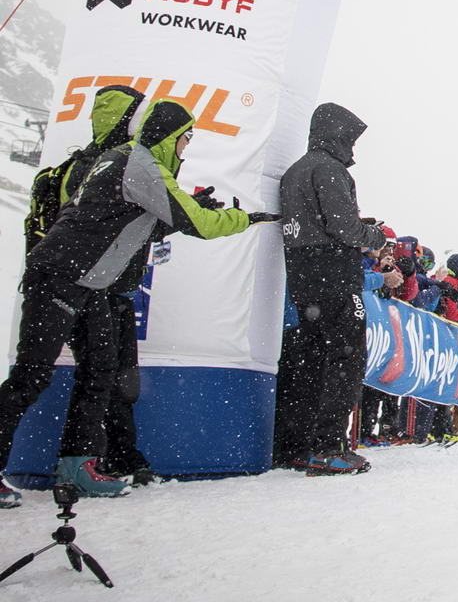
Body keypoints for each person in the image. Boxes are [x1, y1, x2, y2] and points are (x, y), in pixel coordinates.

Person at [0, 98, 272, 507]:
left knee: (100, 374)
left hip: (89, 284)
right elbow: (197, 225)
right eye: (186, 138)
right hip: (57, 275)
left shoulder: (128, 160)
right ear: (169, 136)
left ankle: (78, 465)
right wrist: (243, 219)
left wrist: (196, 206)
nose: (187, 146)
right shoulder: (140, 163)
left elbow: (146, 221)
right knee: (32, 375)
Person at [22, 84, 158, 484]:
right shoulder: (103, 166)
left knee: (110, 375)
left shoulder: (117, 163)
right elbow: (88, 230)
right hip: (84, 284)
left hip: (105, 285)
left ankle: (108, 457)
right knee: (82, 373)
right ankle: (94, 459)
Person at [275, 102, 387, 475]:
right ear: (337, 135)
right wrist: (374, 235)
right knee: (344, 361)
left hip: (303, 277)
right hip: (335, 275)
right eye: (350, 140)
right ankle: (329, 447)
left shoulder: (293, 172)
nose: (352, 149)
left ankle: (300, 445)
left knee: (308, 363)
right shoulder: (329, 169)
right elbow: (343, 227)